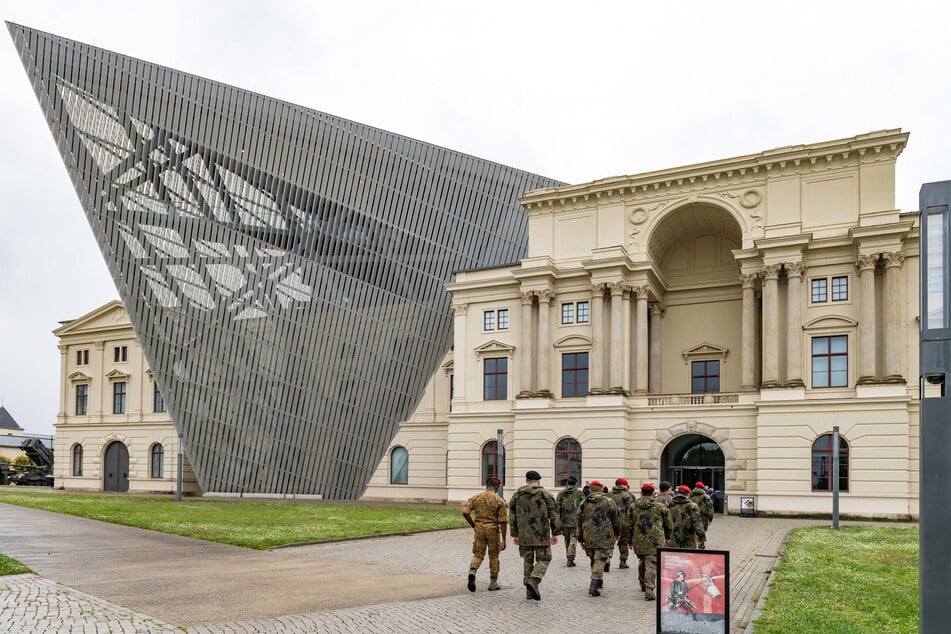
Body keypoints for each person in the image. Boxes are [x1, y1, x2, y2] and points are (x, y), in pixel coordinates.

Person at [509, 470, 560, 600]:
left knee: (528, 560)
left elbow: (512, 515)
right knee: (544, 558)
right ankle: (534, 579)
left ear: (526, 480)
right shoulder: (545, 494)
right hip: (541, 533)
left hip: (524, 534)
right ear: (538, 481)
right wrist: (555, 532)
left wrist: (515, 534)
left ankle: (529, 591)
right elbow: (553, 514)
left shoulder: (517, 495)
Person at [462, 475, 508, 592]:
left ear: (487, 486)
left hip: (479, 529)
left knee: (478, 555)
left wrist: (473, 525)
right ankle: (493, 583)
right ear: (497, 487)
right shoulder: (500, 501)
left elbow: (465, 512)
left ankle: (472, 571)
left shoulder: (477, 498)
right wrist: (504, 539)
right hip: (493, 530)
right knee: (494, 556)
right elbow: (503, 521)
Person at [575, 480, 620, 596]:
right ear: (602, 489)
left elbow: (579, 521)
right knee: (600, 560)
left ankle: (598, 580)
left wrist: (580, 538)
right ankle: (594, 585)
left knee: (594, 559)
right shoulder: (609, 501)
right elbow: (616, 519)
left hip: (588, 536)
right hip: (605, 536)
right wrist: (617, 533)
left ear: (590, 489)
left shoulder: (584, 502)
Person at [630, 482, 672, 601]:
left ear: (641, 493)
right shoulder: (660, 507)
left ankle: (642, 582)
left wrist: (628, 540)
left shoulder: (633, 506)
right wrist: (668, 536)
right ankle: (649, 587)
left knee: (642, 560)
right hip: (656, 539)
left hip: (639, 538)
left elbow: (628, 525)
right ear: (653, 493)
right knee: (652, 563)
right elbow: (668, 523)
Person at [555, 475, 585, 567]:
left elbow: (557, 508)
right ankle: (570, 557)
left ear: (567, 483)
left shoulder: (561, 493)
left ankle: (568, 556)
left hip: (564, 521)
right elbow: (584, 506)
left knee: (567, 539)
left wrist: (558, 521)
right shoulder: (579, 493)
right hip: (576, 521)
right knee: (573, 539)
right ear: (576, 484)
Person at [607, 478, 635, 569]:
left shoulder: (609, 495)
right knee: (623, 542)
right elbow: (631, 509)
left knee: (610, 539)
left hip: (610, 520)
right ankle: (623, 561)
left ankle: (607, 556)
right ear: (623, 485)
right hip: (623, 521)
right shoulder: (627, 495)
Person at [668, 484, 705, 548]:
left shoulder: (670, 504)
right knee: (688, 556)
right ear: (688, 494)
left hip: (673, 538)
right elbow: (697, 523)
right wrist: (701, 538)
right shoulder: (692, 505)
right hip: (689, 538)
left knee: (675, 556)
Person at [690, 481, 714, 548]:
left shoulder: (690, 495)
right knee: (702, 530)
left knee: (693, 530)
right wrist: (710, 518)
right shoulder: (706, 496)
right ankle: (701, 544)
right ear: (703, 488)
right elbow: (710, 508)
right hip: (703, 517)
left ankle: (694, 544)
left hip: (692, 516)